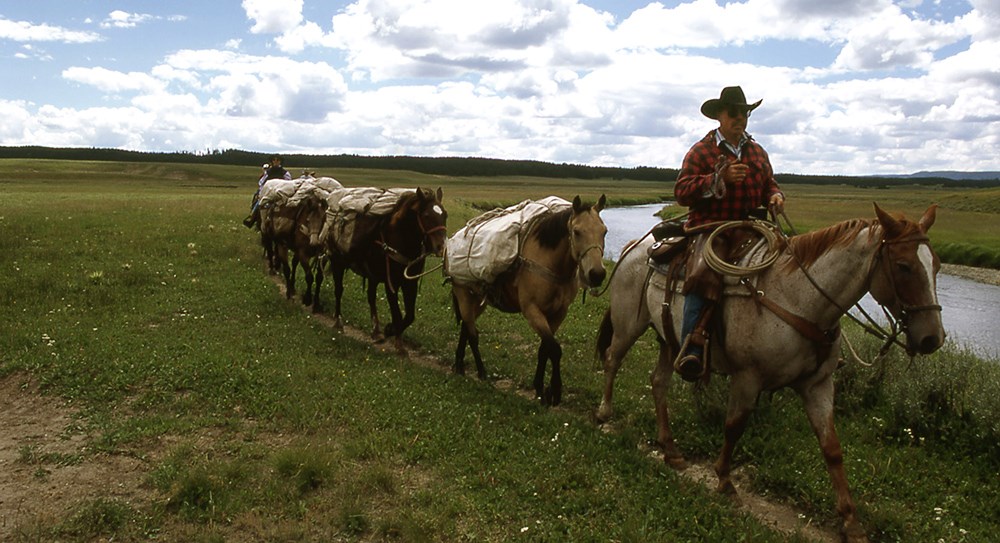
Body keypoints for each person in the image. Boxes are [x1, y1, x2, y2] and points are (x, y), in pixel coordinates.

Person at [672, 86, 785, 381]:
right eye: (734, 112)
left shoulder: (757, 151)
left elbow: (769, 183)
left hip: (750, 227)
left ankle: (789, 342)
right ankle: (692, 348)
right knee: (702, 274)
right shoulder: (701, 150)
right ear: (719, 116)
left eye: (744, 112)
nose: (740, 118)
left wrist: (774, 196)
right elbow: (682, 192)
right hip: (711, 227)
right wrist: (717, 178)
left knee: (789, 262)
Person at [243, 154, 293, 228]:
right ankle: (252, 217)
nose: (276, 161)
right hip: (269, 193)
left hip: (281, 194)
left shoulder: (285, 173)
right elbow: (261, 183)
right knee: (259, 202)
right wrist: (262, 192)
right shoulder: (268, 172)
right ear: (272, 161)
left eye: (278, 160)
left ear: (280, 162)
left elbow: (289, 183)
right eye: (274, 160)